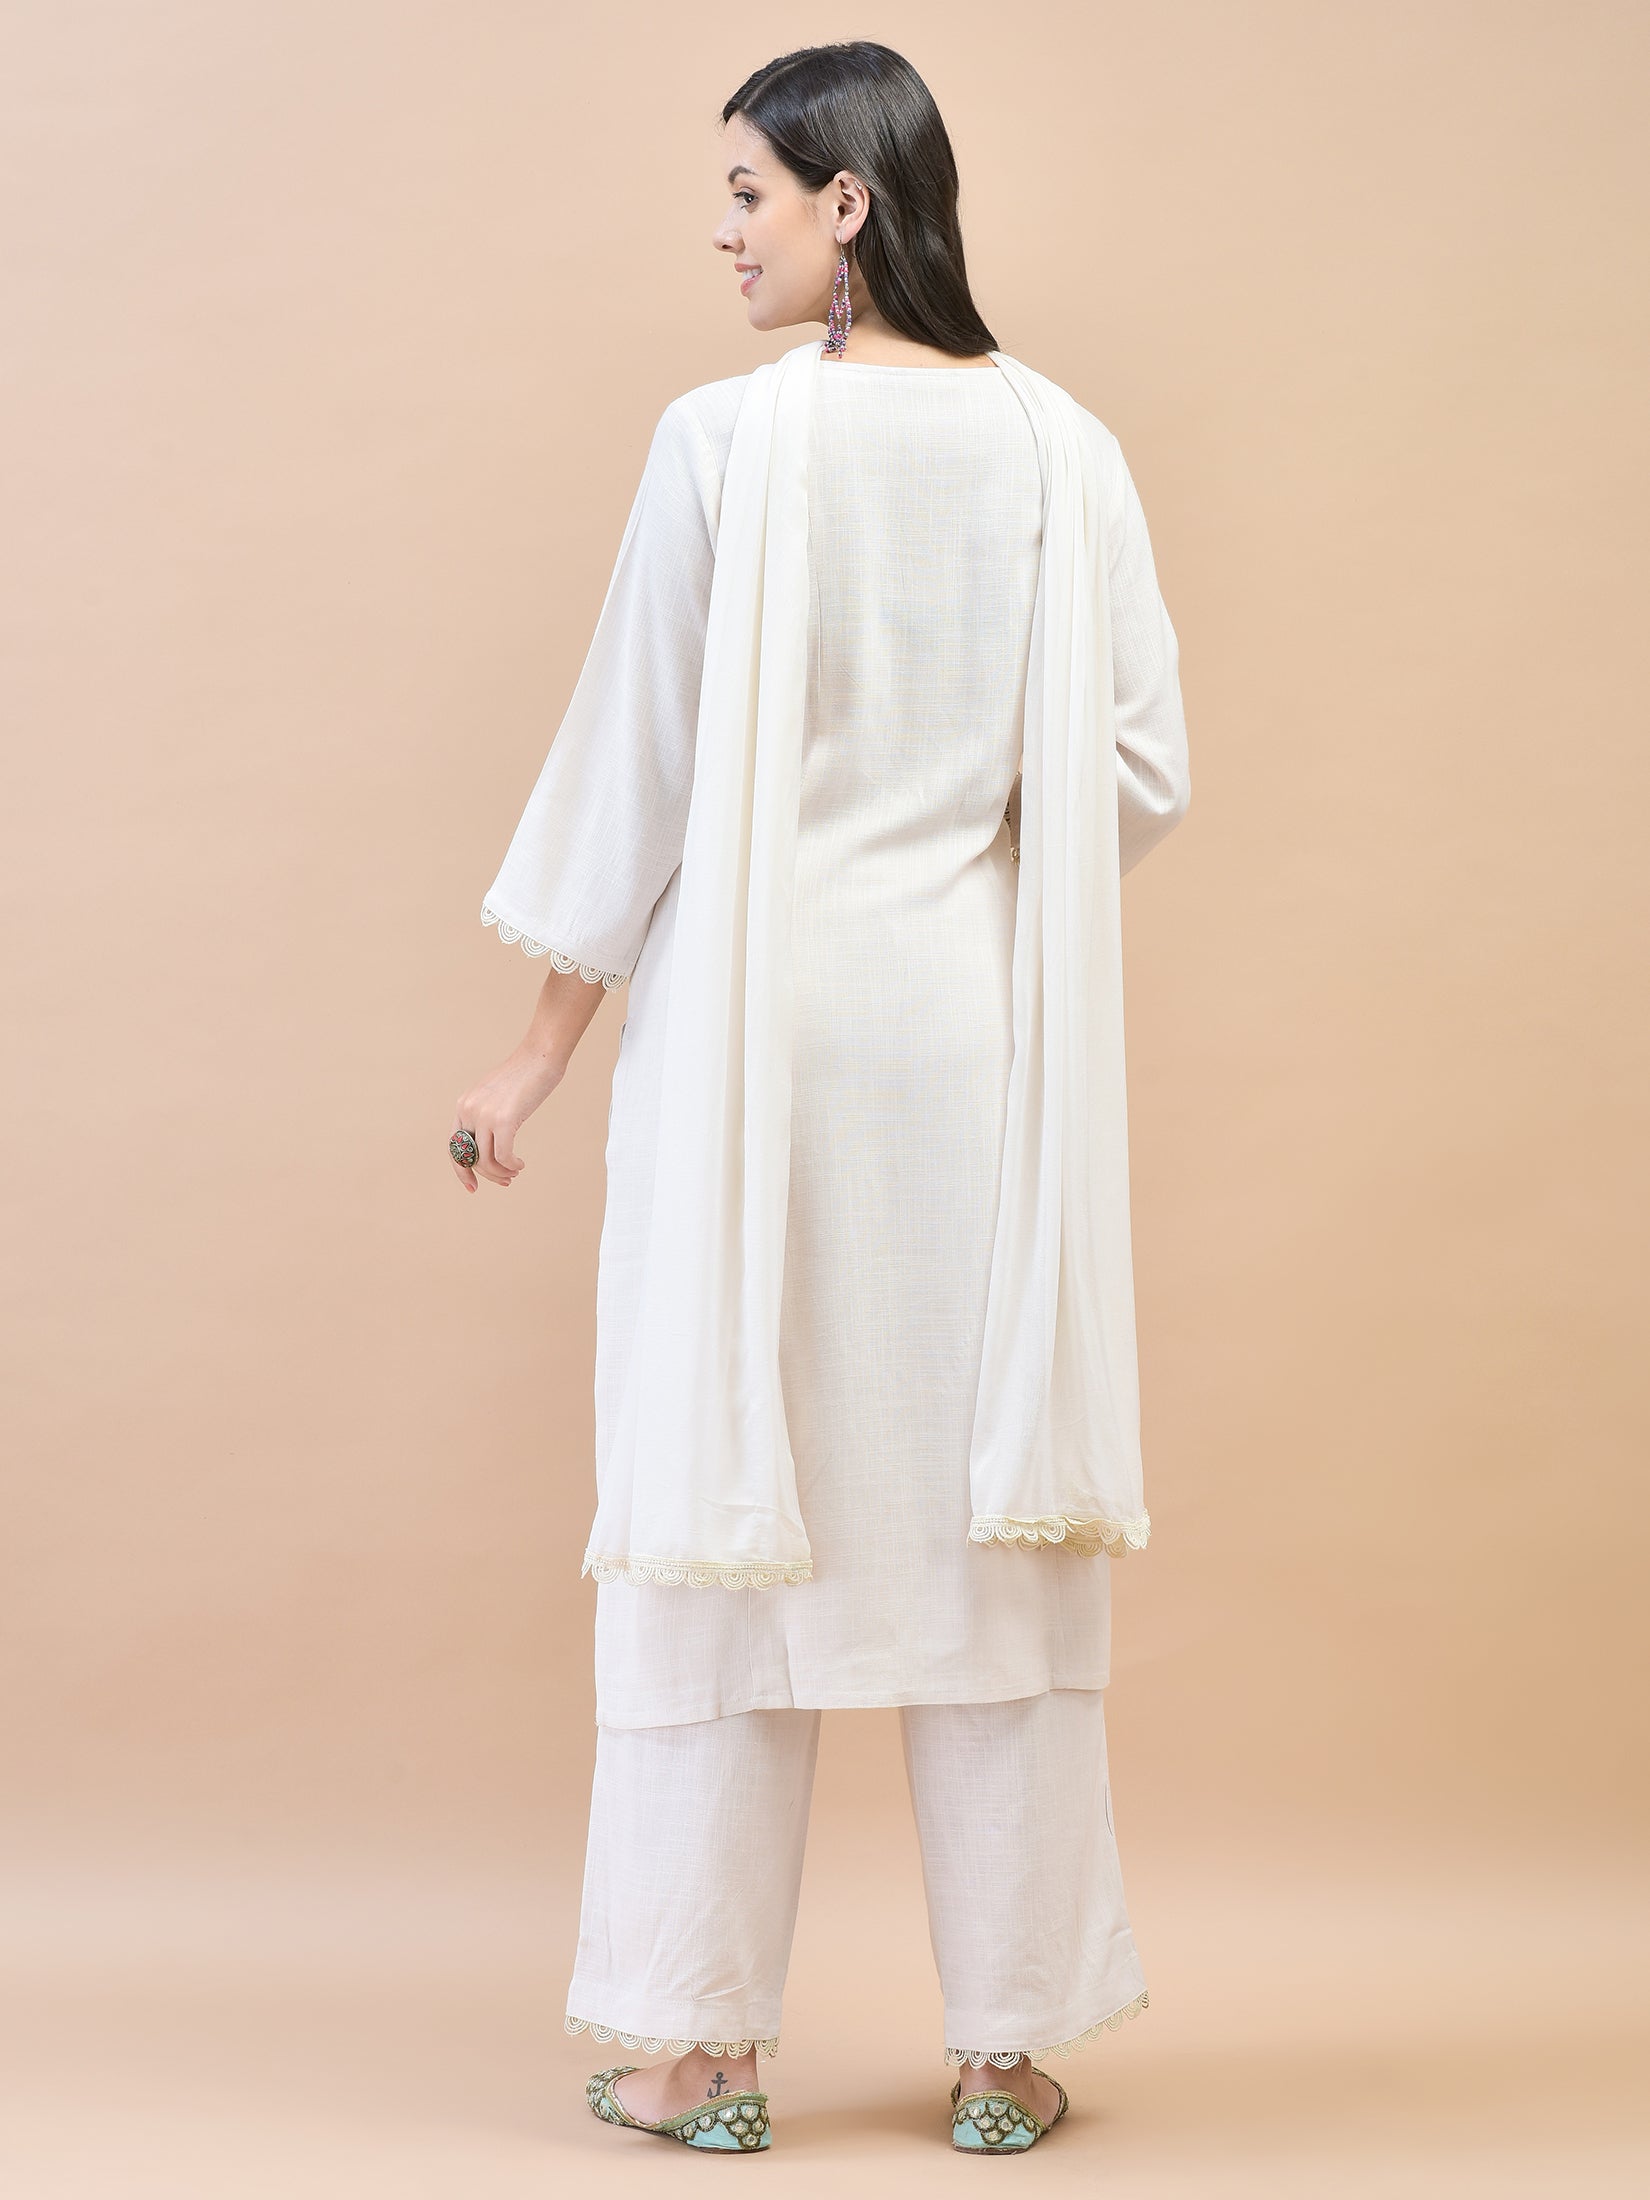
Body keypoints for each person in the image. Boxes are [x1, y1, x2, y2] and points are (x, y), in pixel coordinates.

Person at [450, 40, 1190, 2159]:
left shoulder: (724, 444)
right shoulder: (1064, 449)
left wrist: (533, 1055)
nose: (724, 233)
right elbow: (1135, 773)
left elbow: (636, 778)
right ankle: (1004, 2050)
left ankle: (696, 2055)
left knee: (718, 1512)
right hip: (969, 1049)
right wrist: (961, 842)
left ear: (846, 202)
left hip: (750, 1054)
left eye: (748, 195)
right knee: (990, 1522)